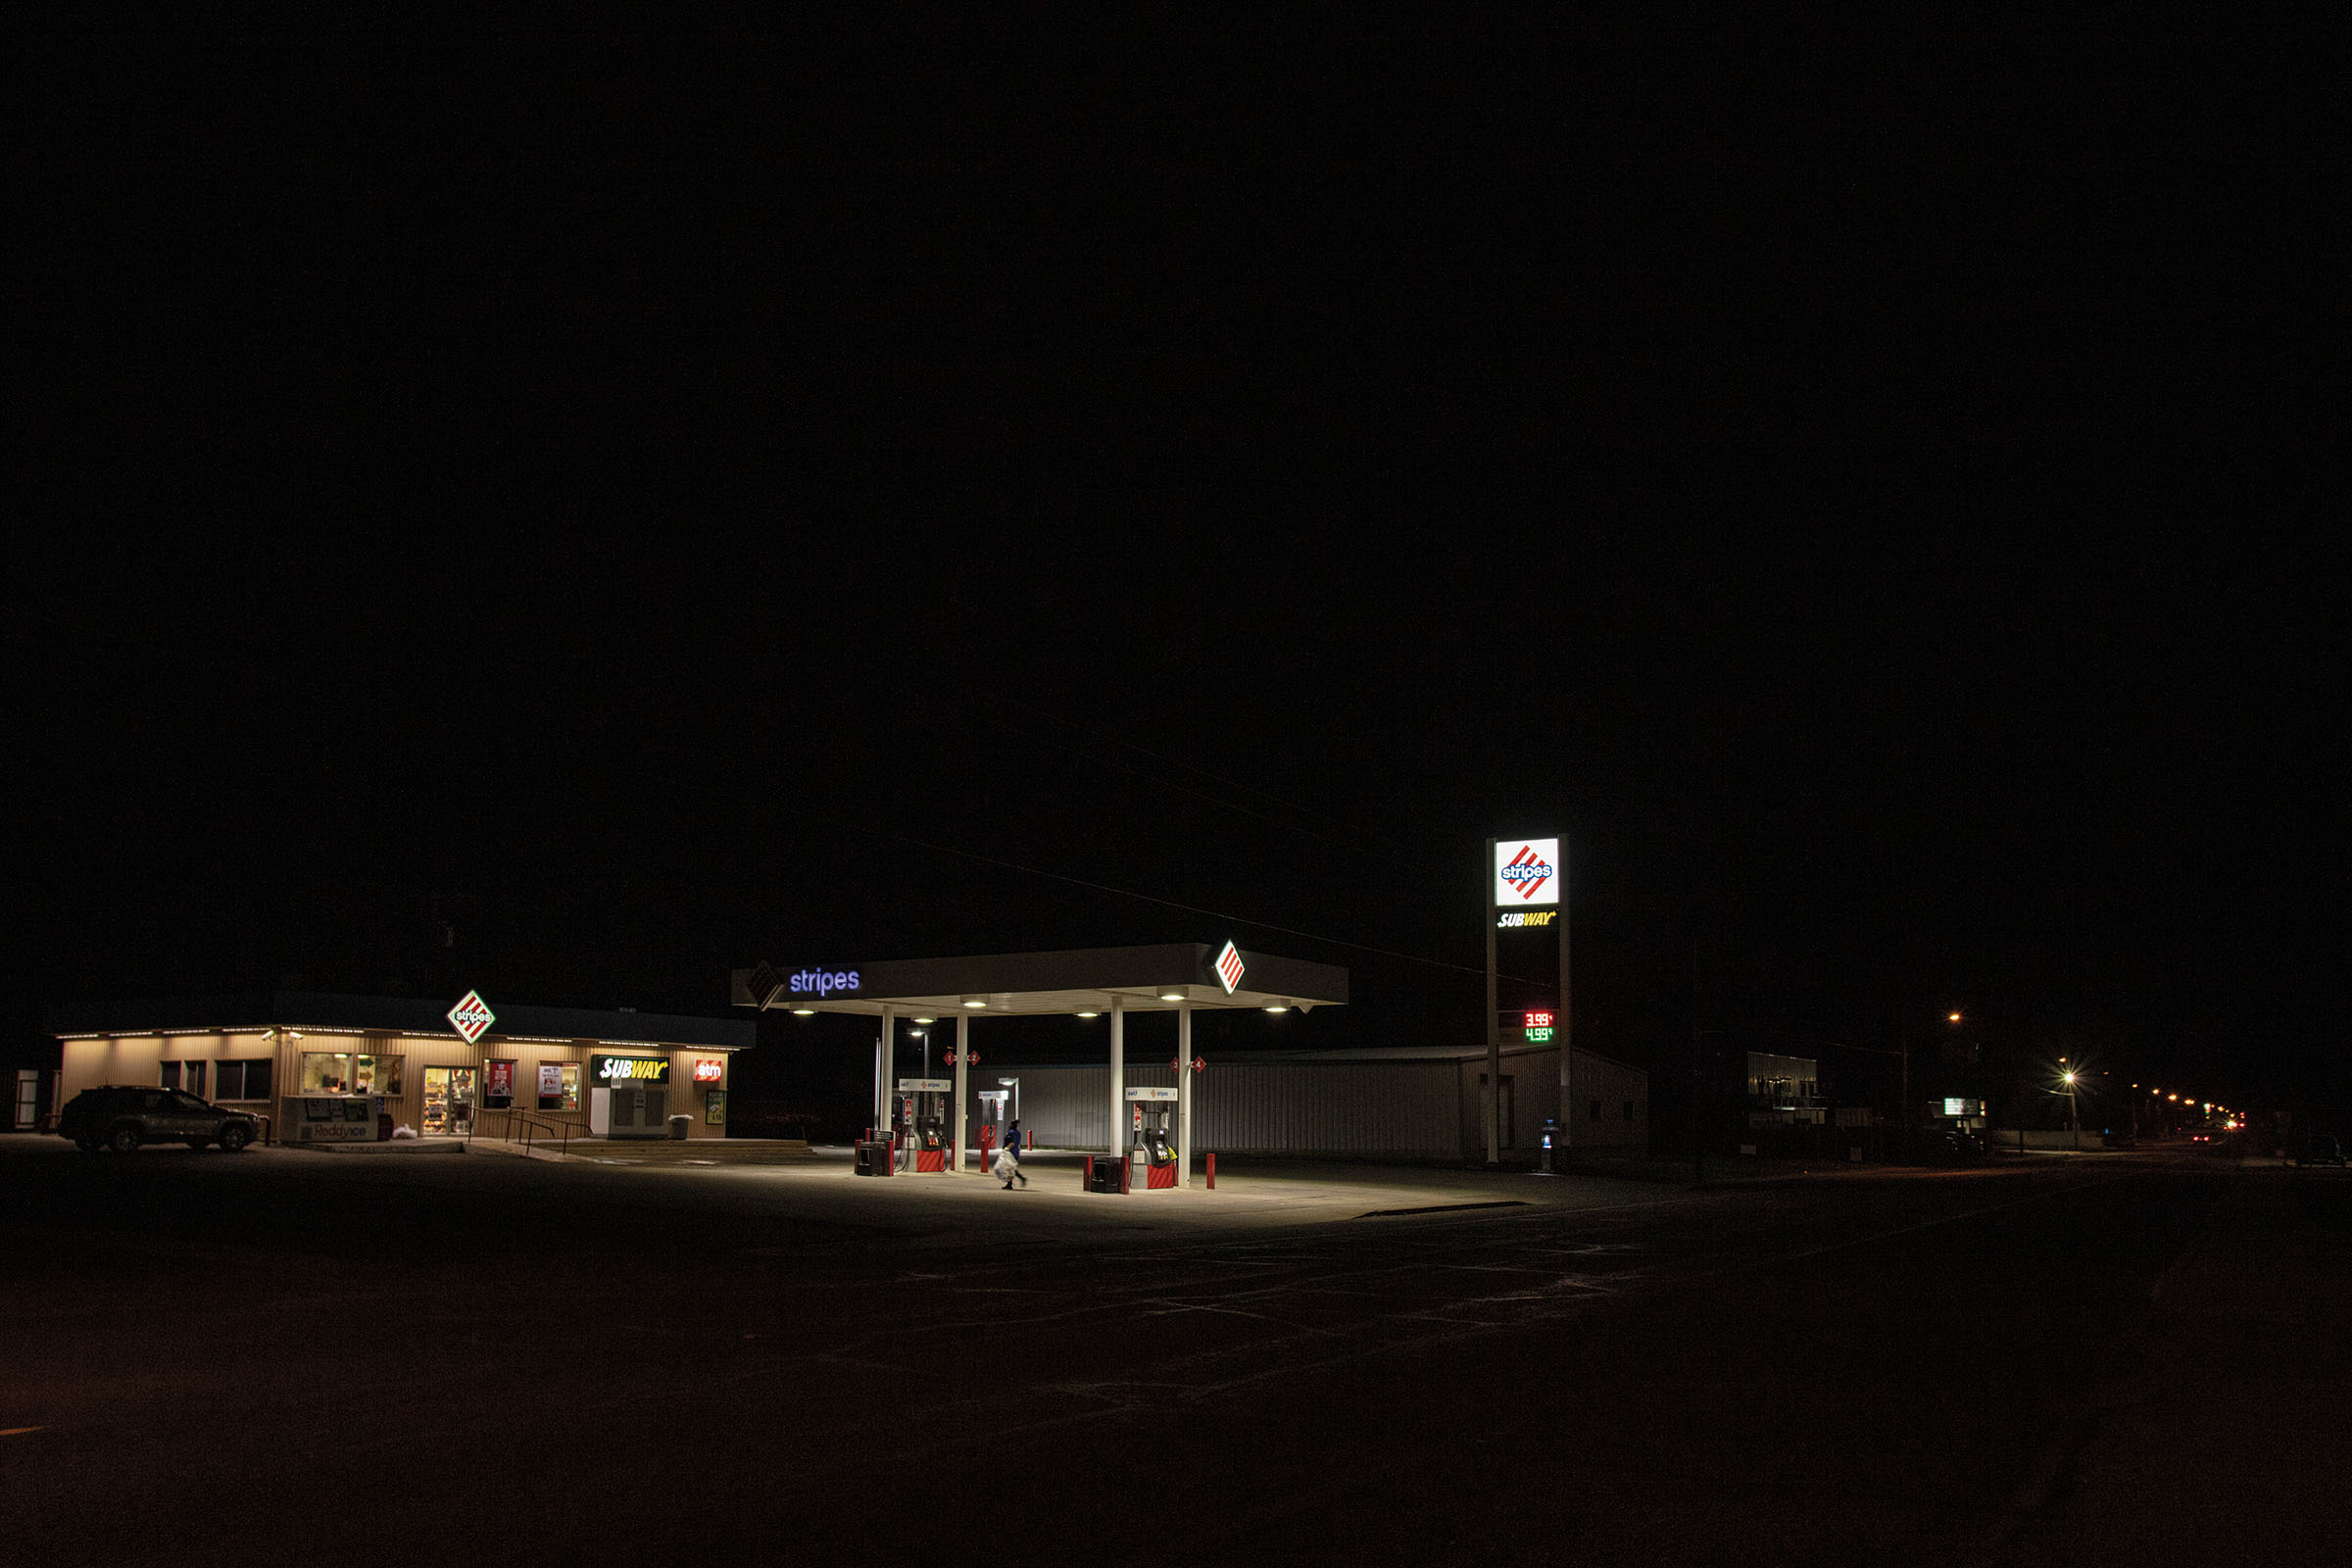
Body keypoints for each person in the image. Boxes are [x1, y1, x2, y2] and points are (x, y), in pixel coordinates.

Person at [996, 1118, 1028, 1188]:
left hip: (1011, 1153)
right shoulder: (1018, 1132)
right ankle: (1009, 1184)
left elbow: (1012, 1142)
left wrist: (1007, 1149)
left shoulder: (1011, 1132)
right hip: (1016, 1152)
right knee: (1010, 1168)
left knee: (1009, 1168)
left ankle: (1020, 1178)